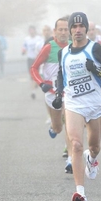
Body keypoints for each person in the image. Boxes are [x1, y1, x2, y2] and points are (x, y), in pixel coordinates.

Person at [53, 12, 101, 201]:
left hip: (93, 105)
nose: (76, 30)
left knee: (94, 147)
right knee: (75, 144)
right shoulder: (63, 52)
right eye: (73, 27)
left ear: (86, 28)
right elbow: (60, 74)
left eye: (80, 26)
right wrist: (59, 94)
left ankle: (92, 160)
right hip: (73, 104)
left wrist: (97, 71)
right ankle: (80, 193)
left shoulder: (95, 49)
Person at [30, 16, 73, 173]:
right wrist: (42, 83)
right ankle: (53, 128)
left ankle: (70, 159)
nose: (63, 32)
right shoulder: (49, 47)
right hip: (52, 94)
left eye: (66, 29)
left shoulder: (74, 46)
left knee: (70, 125)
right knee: (59, 127)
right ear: (55, 31)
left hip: (70, 93)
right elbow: (34, 68)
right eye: (60, 29)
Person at [22, 25, 43, 99]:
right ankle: (34, 89)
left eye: (32, 30)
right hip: (30, 59)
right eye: (30, 30)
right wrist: (23, 51)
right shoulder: (26, 39)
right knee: (32, 75)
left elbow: (43, 48)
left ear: (35, 31)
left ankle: (34, 88)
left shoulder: (39, 39)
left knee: (37, 75)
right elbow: (24, 47)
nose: (31, 32)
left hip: (37, 59)